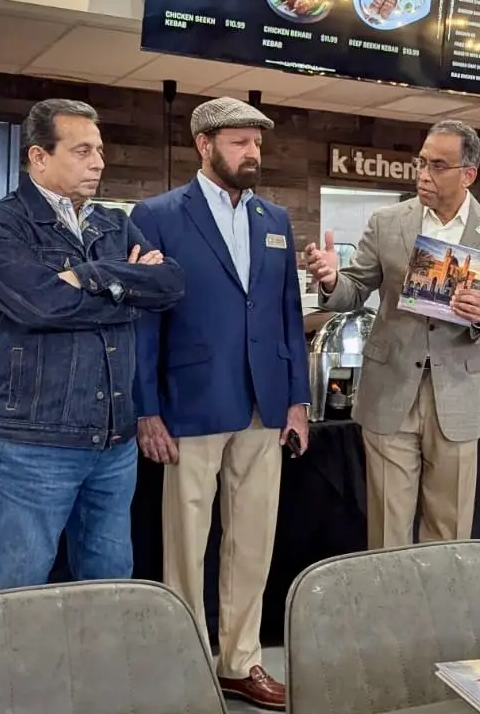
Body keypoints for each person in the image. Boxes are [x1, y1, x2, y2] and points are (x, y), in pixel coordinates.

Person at [131, 97, 308, 711]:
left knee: (253, 539)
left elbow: (287, 314)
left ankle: (240, 662)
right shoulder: (156, 215)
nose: (252, 153)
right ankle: (184, 663)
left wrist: (298, 400)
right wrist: (146, 409)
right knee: (186, 544)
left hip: (266, 402)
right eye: (239, 142)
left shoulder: (275, 218)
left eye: (256, 143)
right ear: (204, 145)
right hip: (190, 402)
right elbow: (144, 322)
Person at [0, 99, 185, 591]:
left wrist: (89, 276)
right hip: (32, 441)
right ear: (39, 156)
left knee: (109, 585)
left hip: (113, 441)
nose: (99, 163)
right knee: (17, 588)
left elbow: (170, 285)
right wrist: (127, 287)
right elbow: (42, 306)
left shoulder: (114, 223)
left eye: (99, 151)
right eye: (83, 151)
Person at [305, 119, 480, 549]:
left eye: (437, 166)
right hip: (390, 389)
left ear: (468, 174)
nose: (423, 174)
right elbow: (354, 289)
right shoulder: (387, 222)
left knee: (449, 531)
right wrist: (331, 280)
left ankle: (440, 596)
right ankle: (392, 596)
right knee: (388, 531)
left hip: (456, 393)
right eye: (421, 162)